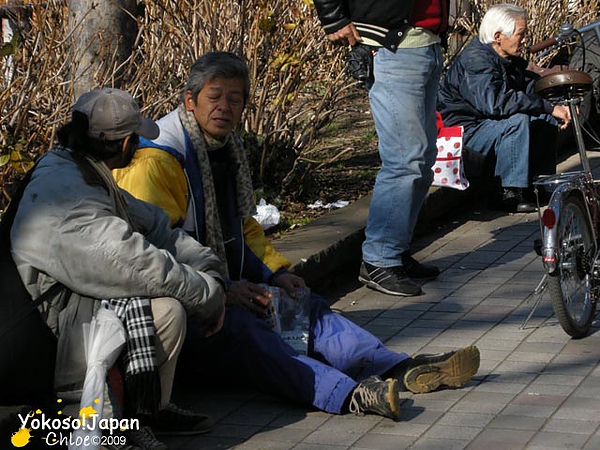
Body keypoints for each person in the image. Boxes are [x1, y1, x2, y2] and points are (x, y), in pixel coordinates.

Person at [113, 51, 481, 422]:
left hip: (221, 284)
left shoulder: (224, 149)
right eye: (214, 97)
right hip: (188, 306)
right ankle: (348, 394)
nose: (224, 107)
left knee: (301, 305)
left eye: (235, 99)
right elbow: (159, 253)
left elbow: (242, 227)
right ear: (190, 101)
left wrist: (276, 273)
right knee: (247, 327)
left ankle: (394, 367)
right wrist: (223, 290)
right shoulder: (157, 160)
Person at [10, 88, 228, 448]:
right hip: (46, 323)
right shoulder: (69, 197)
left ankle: (149, 410)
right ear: (125, 143)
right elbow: (138, 264)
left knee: (165, 306)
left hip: (69, 298)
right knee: (166, 309)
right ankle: (121, 424)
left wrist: (208, 266)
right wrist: (208, 296)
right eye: (137, 138)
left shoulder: (78, 166)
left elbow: (154, 227)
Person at [312, 0, 449, 297]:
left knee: (423, 161)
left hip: (426, 43)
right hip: (391, 45)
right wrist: (334, 19)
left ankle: (395, 250)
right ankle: (379, 260)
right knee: (404, 161)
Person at [437, 3, 572, 213]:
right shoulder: (476, 60)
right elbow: (495, 104)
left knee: (545, 119)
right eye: (520, 34)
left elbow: (529, 85)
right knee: (517, 122)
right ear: (498, 36)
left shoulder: (505, 57)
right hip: (465, 132)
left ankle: (540, 183)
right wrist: (546, 106)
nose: (525, 40)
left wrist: (558, 103)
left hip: (486, 125)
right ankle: (508, 192)